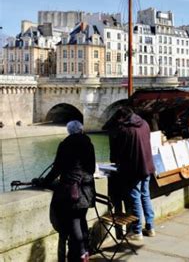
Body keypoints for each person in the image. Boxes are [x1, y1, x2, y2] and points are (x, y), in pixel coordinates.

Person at [33, 120, 96, 262]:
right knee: (82, 219)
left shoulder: (65, 144)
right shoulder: (89, 144)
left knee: (74, 222)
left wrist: (43, 182)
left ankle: (81, 254)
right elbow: (91, 168)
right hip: (87, 189)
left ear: (69, 131)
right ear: (81, 130)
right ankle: (86, 249)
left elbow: (57, 169)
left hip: (73, 190)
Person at [107, 107, 156, 240]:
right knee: (145, 195)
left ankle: (137, 230)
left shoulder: (125, 130)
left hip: (134, 169)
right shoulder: (144, 124)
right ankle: (150, 227)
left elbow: (119, 153)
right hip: (148, 165)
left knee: (135, 198)